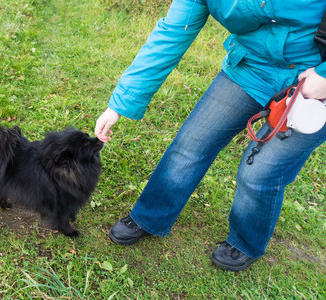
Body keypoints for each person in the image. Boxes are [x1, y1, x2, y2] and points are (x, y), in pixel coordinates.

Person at [94, 0, 326, 272]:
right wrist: (119, 104)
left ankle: (245, 242)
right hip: (250, 67)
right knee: (190, 145)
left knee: (259, 173)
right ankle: (150, 217)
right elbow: (172, 34)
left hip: (313, 83)